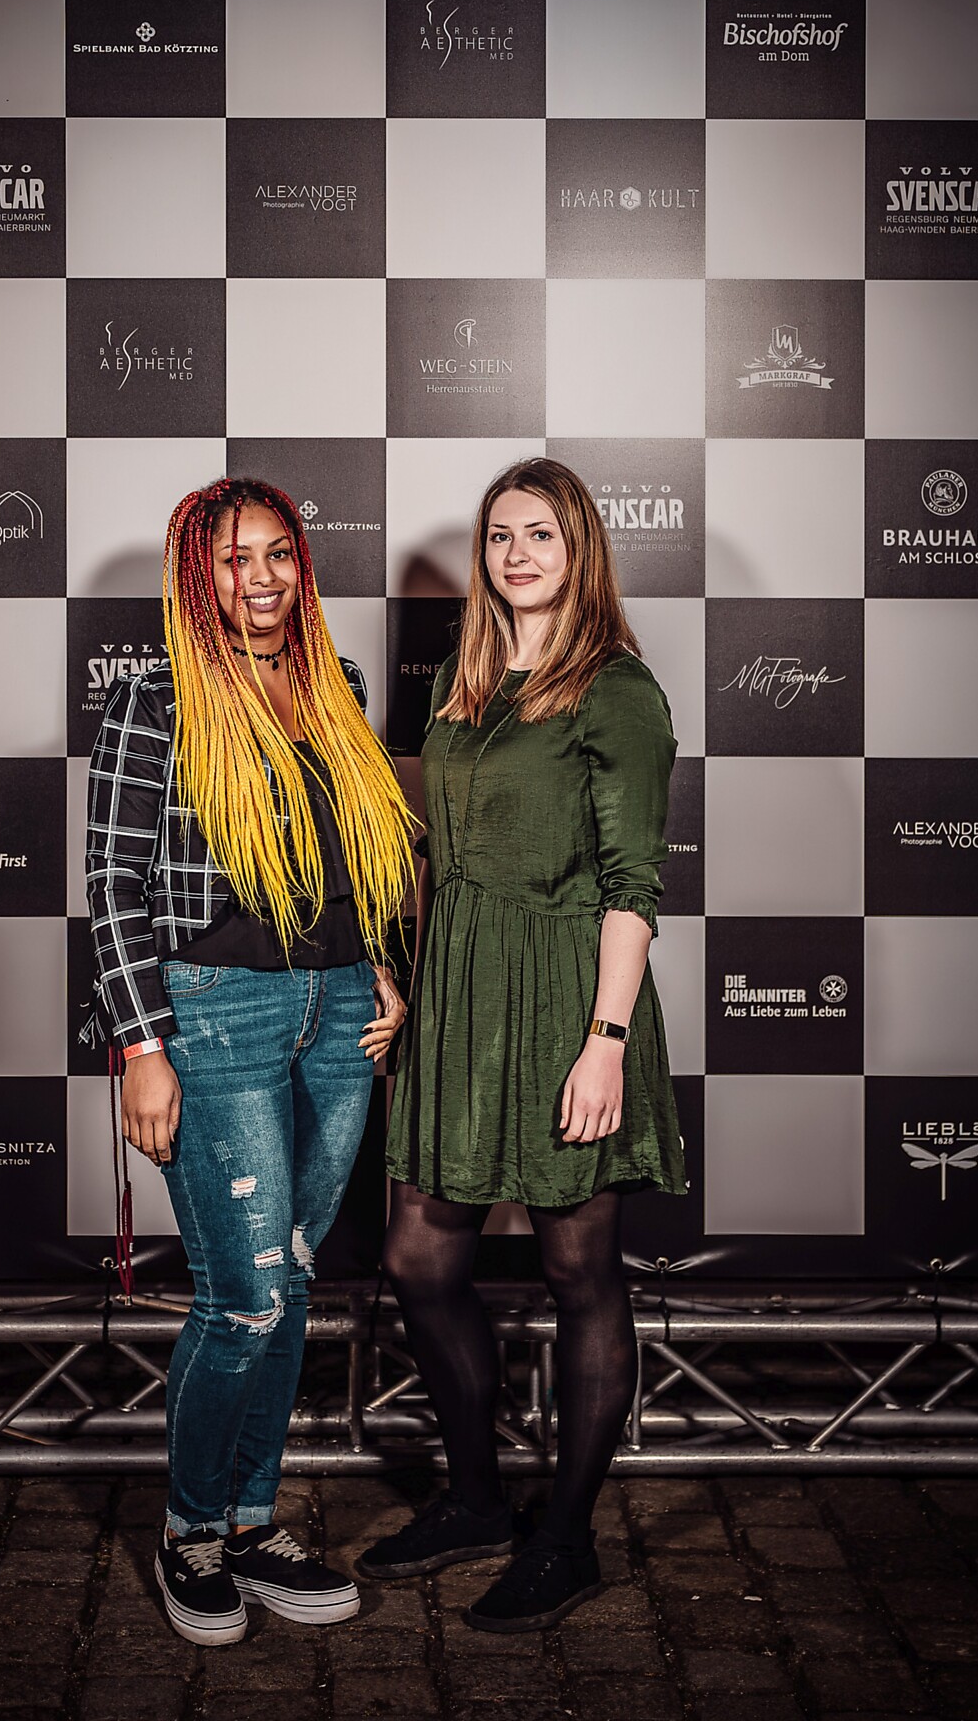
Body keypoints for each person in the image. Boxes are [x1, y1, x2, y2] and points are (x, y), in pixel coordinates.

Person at [357, 458, 685, 1632]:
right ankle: (478, 1502)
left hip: (562, 1000)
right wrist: (407, 975)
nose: (516, 555)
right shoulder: (465, 680)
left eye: (539, 534)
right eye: (499, 536)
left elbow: (632, 886)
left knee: (577, 1272)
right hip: (458, 993)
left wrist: (604, 1042)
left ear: (578, 546)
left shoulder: (616, 689)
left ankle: (567, 1540)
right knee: (418, 1257)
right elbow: (433, 853)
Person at [87, 476, 415, 1646]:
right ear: (199, 574)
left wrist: (378, 965)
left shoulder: (338, 685)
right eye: (235, 559)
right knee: (246, 1298)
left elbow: (356, 853)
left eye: (278, 554)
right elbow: (112, 884)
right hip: (214, 1011)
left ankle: (249, 1520)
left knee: (292, 1280)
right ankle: (190, 1532)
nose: (262, 578)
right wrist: (141, 1044)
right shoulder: (155, 699)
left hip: (338, 1009)